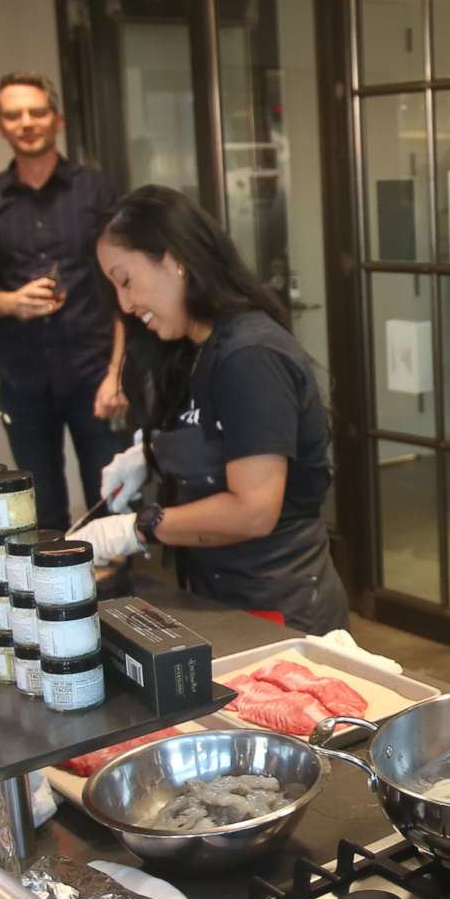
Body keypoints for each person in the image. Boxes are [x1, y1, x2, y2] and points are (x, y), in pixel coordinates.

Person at [70, 186, 348, 632]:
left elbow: (254, 509)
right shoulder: (192, 349)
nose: (124, 304)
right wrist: (152, 456)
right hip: (218, 596)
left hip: (278, 609)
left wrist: (136, 529)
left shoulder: (250, 356)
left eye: (126, 281)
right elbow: (216, 442)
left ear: (175, 257)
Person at [0, 72, 128, 530]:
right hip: (22, 374)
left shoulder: (95, 190)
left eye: (36, 112)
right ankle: (55, 598)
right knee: (38, 505)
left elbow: (126, 286)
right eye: (14, 115)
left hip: (93, 370)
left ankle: (119, 597)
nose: (26, 122)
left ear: (58, 120)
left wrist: (118, 373)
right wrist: (10, 302)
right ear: (1, 126)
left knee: (111, 496)